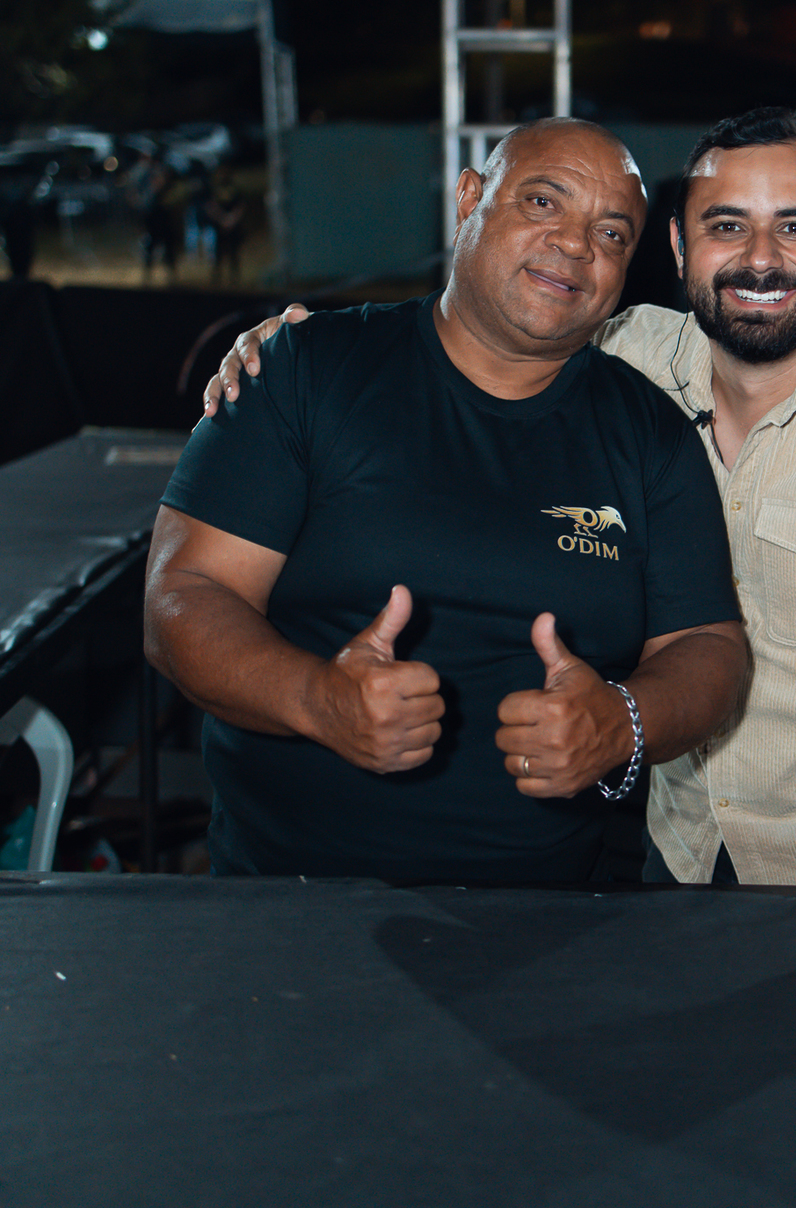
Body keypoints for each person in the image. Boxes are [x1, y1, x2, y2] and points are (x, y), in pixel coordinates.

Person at [203, 108, 796, 984]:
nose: (760, 259)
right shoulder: (627, 356)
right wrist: (292, 348)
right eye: (726, 226)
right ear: (676, 247)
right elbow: (486, 318)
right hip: (668, 863)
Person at [146, 120, 746, 887]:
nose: (574, 244)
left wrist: (622, 721)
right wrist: (317, 699)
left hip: (551, 911)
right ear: (469, 200)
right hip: (287, 899)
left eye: (611, 233)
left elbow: (709, 646)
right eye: (542, 202)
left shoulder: (651, 433)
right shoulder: (305, 370)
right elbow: (182, 594)